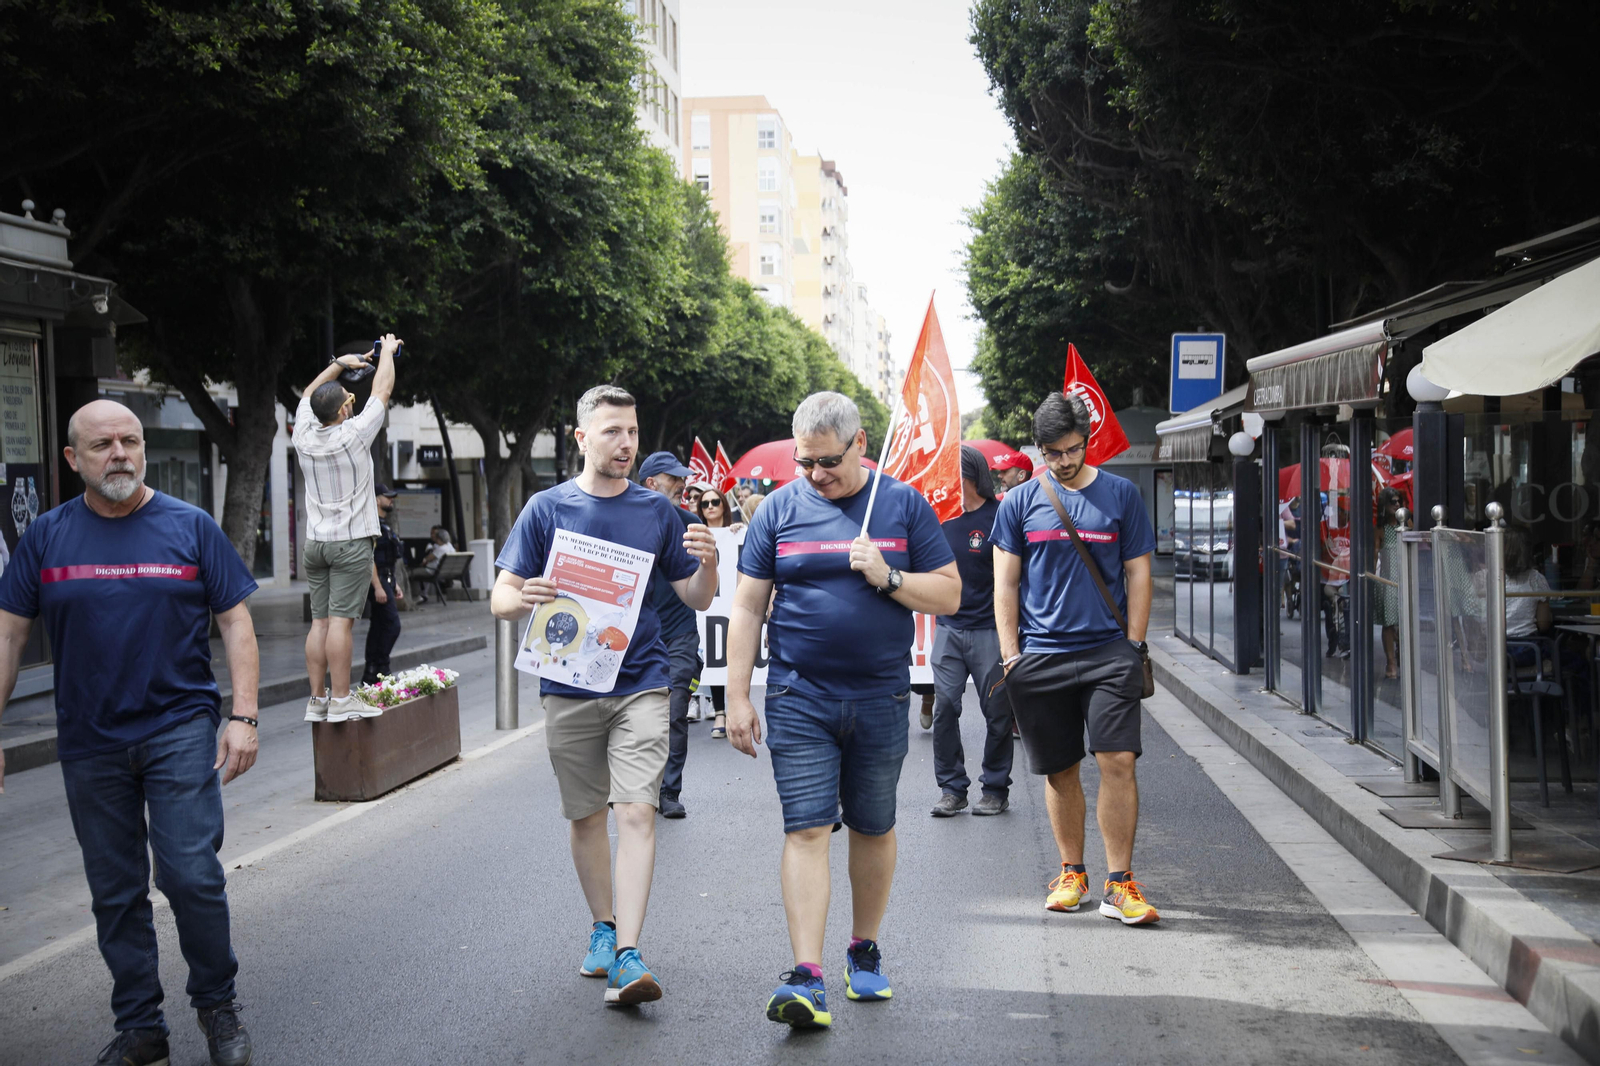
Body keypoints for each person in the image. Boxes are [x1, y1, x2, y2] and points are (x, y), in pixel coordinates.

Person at [0, 400, 261, 1066]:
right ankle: (141, 1028)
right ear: (71, 459)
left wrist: (243, 715)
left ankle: (217, 1005)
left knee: (190, 874)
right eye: (101, 445)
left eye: (129, 441)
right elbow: (8, 633)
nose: (118, 453)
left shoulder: (190, 526)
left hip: (177, 725)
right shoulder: (47, 538)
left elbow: (235, 621)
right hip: (89, 737)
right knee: (115, 891)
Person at [727, 391, 960, 1030]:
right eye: (804, 462)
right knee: (805, 829)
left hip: (881, 694)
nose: (814, 475)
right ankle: (807, 975)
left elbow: (948, 594)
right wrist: (738, 695)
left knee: (873, 825)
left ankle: (863, 948)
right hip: (799, 695)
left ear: (860, 444)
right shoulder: (778, 509)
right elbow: (747, 607)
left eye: (826, 461)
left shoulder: (903, 505)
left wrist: (887, 577)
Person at [491, 387, 717, 1007]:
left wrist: (711, 567)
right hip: (568, 685)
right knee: (587, 815)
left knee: (637, 810)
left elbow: (695, 597)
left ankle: (629, 952)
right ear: (581, 436)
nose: (626, 444)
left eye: (634, 432)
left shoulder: (657, 512)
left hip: (642, 680)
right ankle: (602, 926)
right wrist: (526, 595)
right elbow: (500, 599)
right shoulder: (546, 508)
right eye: (614, 431)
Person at [993, 391, 1159, 926]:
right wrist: (1011, 655)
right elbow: (1006, 584)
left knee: (1118, 760)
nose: (1062, 461)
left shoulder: (1121, 495)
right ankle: (1072, 873)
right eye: (1051, 452)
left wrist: (1134, 645)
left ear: (1086, 439)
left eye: (1069, 449)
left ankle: (1120, 882)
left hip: (1110, 652)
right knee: (1061, 768)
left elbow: (1138, 572)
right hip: (1041, 656)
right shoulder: (1018, 503)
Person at [294, 334, 398, 724]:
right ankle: (341, 700)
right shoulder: (353, 436)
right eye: (348, 404)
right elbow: (382, 388)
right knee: (341, 623)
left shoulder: (302, 435)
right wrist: (386, 352)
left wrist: (340, 363)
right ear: (341, 412)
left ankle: (317, 700)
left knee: (319, 623)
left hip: (315, 543)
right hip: (350, 543)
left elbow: (308, 392)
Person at [929, 445, 1013, 817]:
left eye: (951, 474)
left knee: (997, 712)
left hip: (989, 632)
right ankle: (952, 788)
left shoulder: (999, 516)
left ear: (971, 476)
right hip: (948, 628)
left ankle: (995, 787)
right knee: (944, 707)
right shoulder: (938, 517)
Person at [638, 450, 704, 820]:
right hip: (637, 636)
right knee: (639, 715)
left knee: (675, 711)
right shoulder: (627, 519)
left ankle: (669, 792)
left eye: (683, 477)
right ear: (651, 483)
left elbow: (703, 580)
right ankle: (641, 788)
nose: (682, 484)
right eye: (673, 478)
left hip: (680, 633)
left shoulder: (689, 522)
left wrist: (710, 563)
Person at [696, 487, 738, 736]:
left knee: (736, 659)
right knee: (714, 658)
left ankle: (736, 709)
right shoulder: (695, 536)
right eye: (704, 504)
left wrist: (737, 533)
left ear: (724, 505)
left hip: (735, 605)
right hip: (709, 606)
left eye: (715, 502)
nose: (710, 507)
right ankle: (720, 714)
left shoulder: (737, 534)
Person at [362, 485, 405, 685]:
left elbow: (387, 560)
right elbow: (369, 558)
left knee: (379, 625)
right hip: (376, 581)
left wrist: (393, 584)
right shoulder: (371, 525)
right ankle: (381, 665)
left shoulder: (382, 525)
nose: (391, 500)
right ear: (377, 500)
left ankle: (373, 671)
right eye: (387, 497)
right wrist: (378, 586)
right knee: (392, 624)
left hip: (385, 579)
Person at [1373, 488, 1403, 679]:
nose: (1397, 505)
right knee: (1389, 623)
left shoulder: (1407, 524)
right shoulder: (1380, 530)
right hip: (1387, 578)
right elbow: (1374, 555)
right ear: (1385, 505)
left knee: (1402, 622)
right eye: (1393, 502)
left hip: (1404, 577)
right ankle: (1391, 662)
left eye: (1399, 501)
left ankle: (1400, 653)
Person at [412, 526, 454, 604]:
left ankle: (416, 596)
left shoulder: (441, 549)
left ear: (439, 538)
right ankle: (423, 594)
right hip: (445, 572)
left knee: (411, 573)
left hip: (433, 571)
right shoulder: (449, 546)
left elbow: (426, 559)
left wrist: (422, 563)